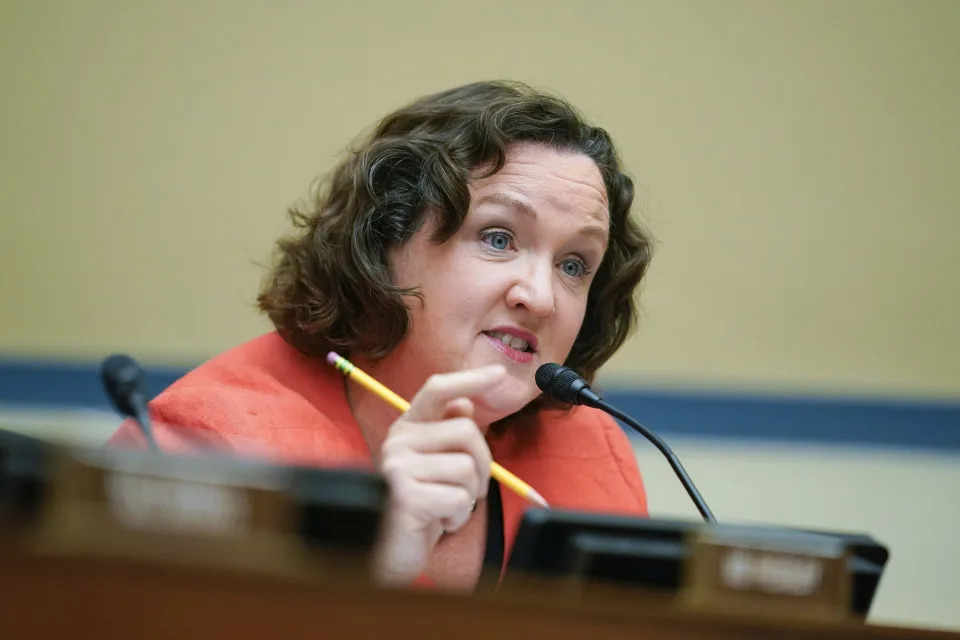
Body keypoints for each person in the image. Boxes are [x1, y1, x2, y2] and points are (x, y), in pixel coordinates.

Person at [108, 80, 654, 592]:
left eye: (575, 265)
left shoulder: (593, 453)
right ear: (384, 243)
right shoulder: (202, 448)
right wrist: (381, 570)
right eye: (497, 237)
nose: (541, 296)